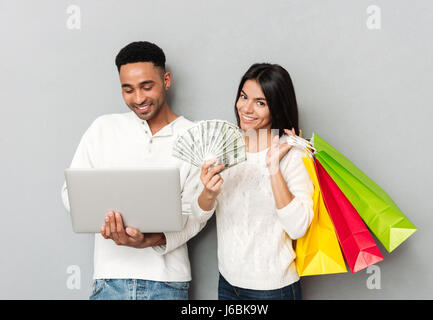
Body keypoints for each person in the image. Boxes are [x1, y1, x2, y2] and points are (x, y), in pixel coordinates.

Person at [61, 41, 206, 300]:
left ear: (166, 80)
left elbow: (196, 213)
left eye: (146, 86)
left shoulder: (194, 136)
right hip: (109, 280)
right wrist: (106, 221)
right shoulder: (102, 128)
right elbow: (70, 193)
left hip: (167, 282)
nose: (138, 99)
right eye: (128, 90)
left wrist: (149, 239)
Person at [193, 63, 314, 300]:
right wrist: (208, 192)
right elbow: (199, 216)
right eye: (243, 96)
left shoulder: (293, 152)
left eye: (261, 102)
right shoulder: (224, 145)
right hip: (228, 283)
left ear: (276, 107)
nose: (246, 108)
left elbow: (298, 227)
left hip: (273, 289)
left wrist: (273, 168)